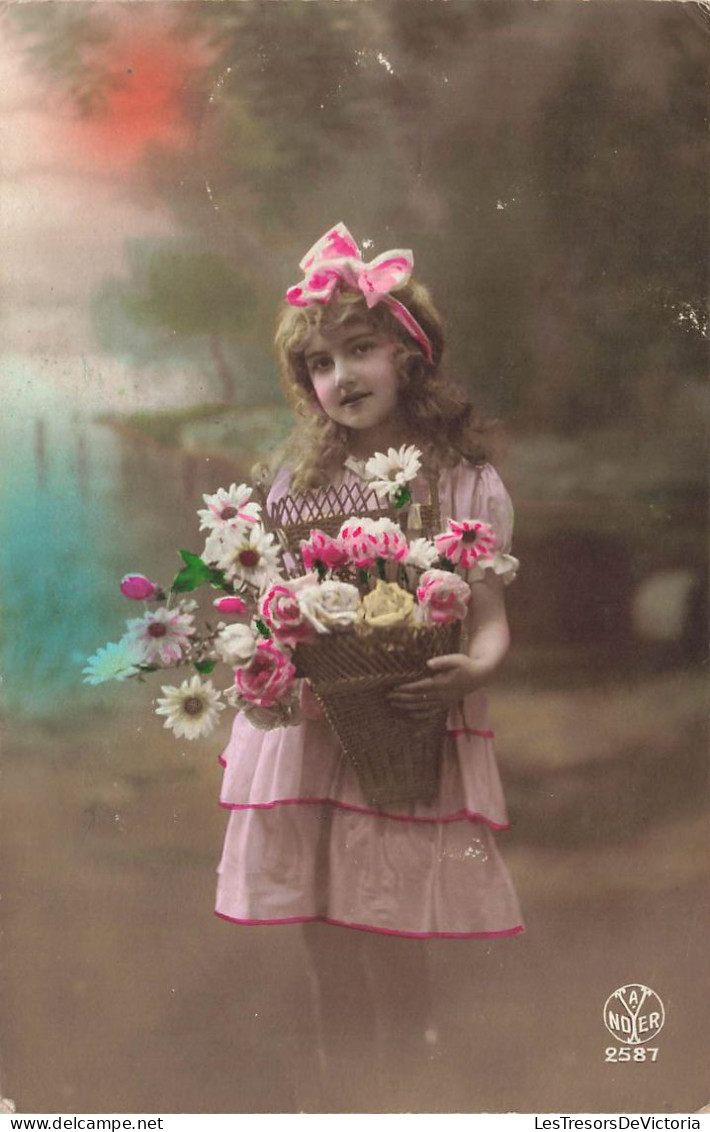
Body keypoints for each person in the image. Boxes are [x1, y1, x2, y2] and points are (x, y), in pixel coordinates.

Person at [214, 223, 523, 1085]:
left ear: (408, 357)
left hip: (407, 720)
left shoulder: (461, 480)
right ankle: (340, 1087)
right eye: (319, 363)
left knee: (392, 917)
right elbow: (273, 612)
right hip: (315, 727)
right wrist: (264, 659)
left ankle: (407, 1091)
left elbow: (490, 614)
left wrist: (479, 667)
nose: (341, 376)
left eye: (361, 350)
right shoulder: (296, 486)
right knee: (321, 920)